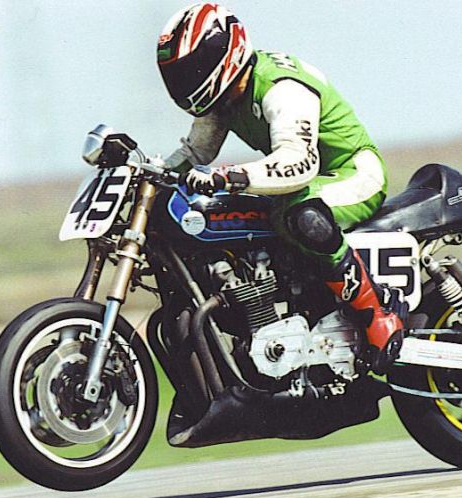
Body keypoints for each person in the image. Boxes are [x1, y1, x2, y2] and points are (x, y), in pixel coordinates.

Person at [157, 2, 407, 372]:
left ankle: (377, 313)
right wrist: (148, 172)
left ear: (224, 52)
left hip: (353, 172)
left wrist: (232, 176)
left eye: (192, 68)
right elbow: (195, 152)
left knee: (300, 215)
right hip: (309, 181)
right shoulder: (224, 98)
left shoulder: (281, 87)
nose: (187, 81)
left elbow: (299, 164)